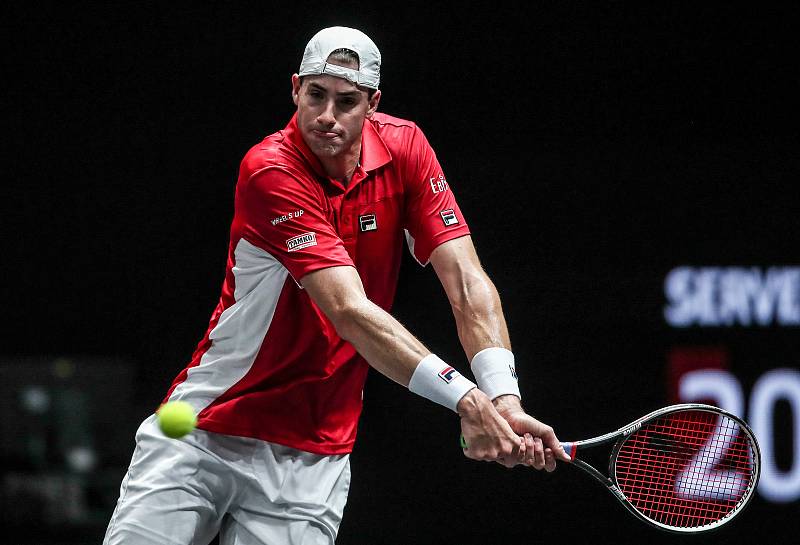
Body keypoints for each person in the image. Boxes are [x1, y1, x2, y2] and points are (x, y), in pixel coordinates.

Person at [104, 26, 570, 545]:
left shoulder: (406, 148)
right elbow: (348, 310)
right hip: (204, 431)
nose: (327, 115)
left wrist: (504, 397)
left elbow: (465, 281)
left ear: (372, 103)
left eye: (346, 101)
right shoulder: (270, 171)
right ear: (295, 89)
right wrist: (467, 400)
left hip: (314, 458)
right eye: (316, 95)